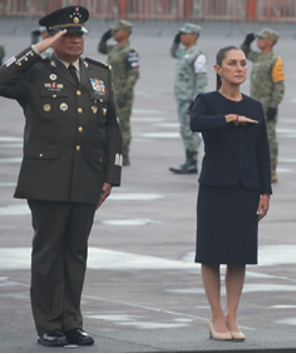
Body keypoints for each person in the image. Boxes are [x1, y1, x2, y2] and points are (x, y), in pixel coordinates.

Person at [0, 6, 123, 347]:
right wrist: (37, 50)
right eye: (66, 35)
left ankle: (72, 322)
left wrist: (111, 174)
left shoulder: (99, 73)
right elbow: (1, 79)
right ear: (51, 38)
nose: (75, 40)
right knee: (47, 254)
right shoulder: (34, 71)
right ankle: (49, 324)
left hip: (87, 176)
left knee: (76, 253)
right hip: (48, 177)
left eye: (79, 34)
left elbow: (112, 125)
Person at [190, 46, 272, 341]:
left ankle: (233, 316)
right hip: (215, 188)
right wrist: (228, 118)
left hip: (246, 189)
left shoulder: (255, 106)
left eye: (243, 63)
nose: (239, 68)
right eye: (232, 63)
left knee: (239, 256)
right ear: (218, 70)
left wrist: (266, 190)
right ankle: (215, 316)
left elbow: (262, 151)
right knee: (212, 254)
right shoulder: (207, 101)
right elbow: (195, 123)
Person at [241, 29, 285, 183]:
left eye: (262, 38)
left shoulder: (275, 60)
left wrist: (274, 105)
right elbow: (244, 54)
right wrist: (246, 43)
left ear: (270, 42)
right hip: (255, 104)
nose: (258, 40)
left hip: (267, 106)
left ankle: (272, 169)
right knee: (255, 136)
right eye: (258, 38)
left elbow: (279, 85)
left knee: (269, 137)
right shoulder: (259, 57)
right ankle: (258, 167)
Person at [98, 19, 140, 166]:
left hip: (123, 94)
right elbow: (102, 50)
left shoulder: (130, 52)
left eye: (117, 31)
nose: (114, 33)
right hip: (111, 92)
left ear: (126, 32)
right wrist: (104, 38)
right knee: (108, 124)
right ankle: (112, 153)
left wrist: (124, 93)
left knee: (122, 125)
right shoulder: (114, 48)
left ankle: (124, 155)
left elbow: (134, 74)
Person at [169, 23, 208, 175]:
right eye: (181, 34)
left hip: (189, 98)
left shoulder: (198, 55)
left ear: (194, 36)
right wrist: (175, 41)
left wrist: (196, 99)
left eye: (185, 34)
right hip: (181, 97)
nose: (182, 36)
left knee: (190, 130)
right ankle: (188, 160)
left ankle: (192, 162)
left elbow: (201, 79)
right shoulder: (184, 51)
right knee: (184, 130)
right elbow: (173, 53)